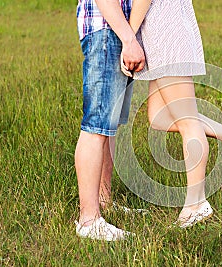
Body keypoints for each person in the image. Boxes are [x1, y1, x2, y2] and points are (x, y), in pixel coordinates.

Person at [122, 0, 222, 228]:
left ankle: (196, 205)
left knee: (187, 123)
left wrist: (129, 38)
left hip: (167, 35)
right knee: (159, 117)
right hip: (165, 31)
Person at [74, 0, 146, 241]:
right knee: (96, 126)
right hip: (108, 29)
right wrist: (128, 39)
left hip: (119, 30)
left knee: (108, 126)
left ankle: (104, 202)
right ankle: (89, 219)